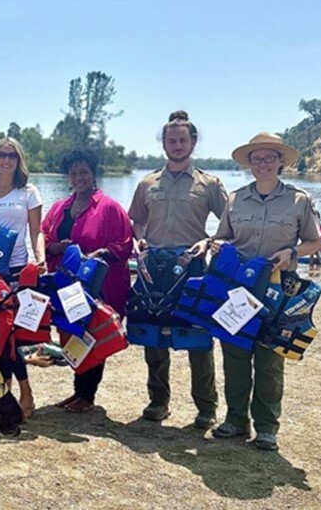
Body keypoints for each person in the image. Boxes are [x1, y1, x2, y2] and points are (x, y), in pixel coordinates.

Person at [192, 132, 321, 451]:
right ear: (250, 164)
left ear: (281, 162)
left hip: (278, 290)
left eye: (269, 158)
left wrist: (293, 253)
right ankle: (236, 420)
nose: (263, 164)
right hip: (238, 289)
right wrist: (216, 245)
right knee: (234, 355)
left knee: (269, 359)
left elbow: (315, 242)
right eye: (257, 159)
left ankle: (266, 427)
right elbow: (222, 238)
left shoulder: (299, 200)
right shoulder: (235, 199)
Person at [128, 111, 227, 427]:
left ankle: (206, 408)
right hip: (154, 265)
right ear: (164, 144)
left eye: (183, 140)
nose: (177, 145)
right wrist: (140, 241)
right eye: (172, 140)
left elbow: (230, 224)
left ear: (193, 143)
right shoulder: (147, 183)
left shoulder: (209, 184)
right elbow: (137, 221)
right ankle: (159, 401)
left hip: (192, 264)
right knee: (155, 336)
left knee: (198, 336)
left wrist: (209, 241)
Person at [40, 148, 133, 413]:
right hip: (66, 285)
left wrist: (98, 254)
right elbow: (43, 237)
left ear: (93, 174)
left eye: (84, 172)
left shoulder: (110, 208)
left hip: (98, 285)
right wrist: (57, 247)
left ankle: (87, 395)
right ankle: (77, 391)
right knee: (70, 334)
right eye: (74, 173)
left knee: (92, 333)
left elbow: (124, 245)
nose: (79, 177)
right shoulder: (60, 208)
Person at [0, 137, 44, 418]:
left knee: (13, 335)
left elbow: (36, 232)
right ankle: (5, 391)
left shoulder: (28, 192)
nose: (6, 160)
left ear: (18, 161)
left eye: (12, 156)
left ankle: (24, 390)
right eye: (1, 155)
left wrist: (40, 259)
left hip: (16, 271)